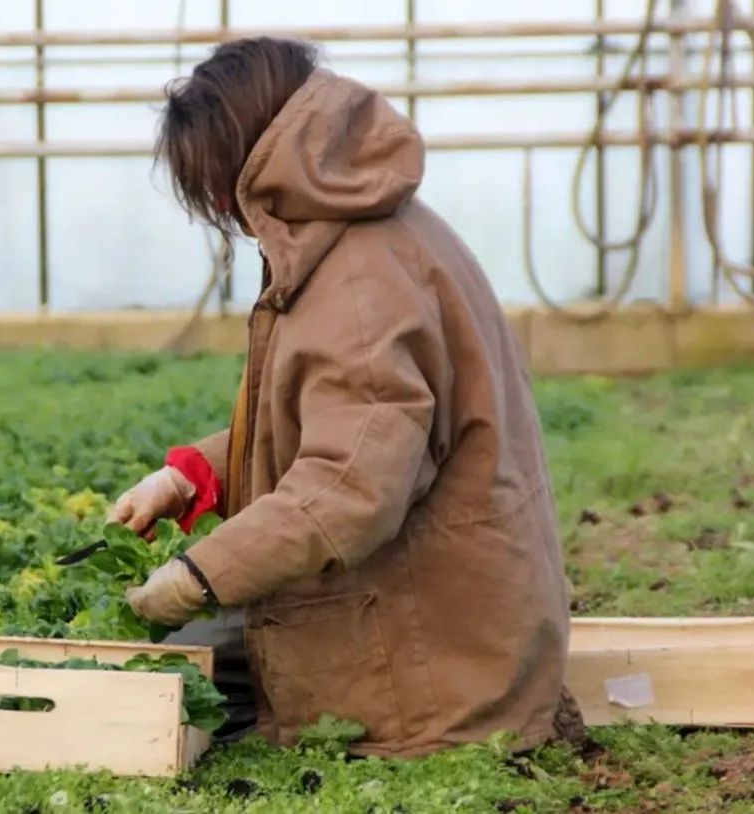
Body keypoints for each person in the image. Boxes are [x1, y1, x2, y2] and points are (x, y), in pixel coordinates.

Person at [109, 35, 586, 757]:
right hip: (458, 609)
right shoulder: (371, 227)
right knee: (192, 655)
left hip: (438, 665)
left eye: (210, 181)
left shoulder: (359, 280)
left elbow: (348, 488)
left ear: (244, 163)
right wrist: (192, 477)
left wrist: (199, 574)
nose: (216, 205)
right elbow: (340, 423)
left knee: (176, 662)